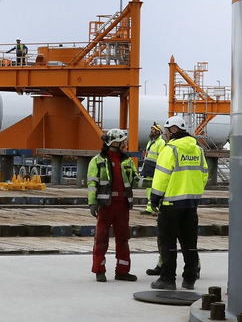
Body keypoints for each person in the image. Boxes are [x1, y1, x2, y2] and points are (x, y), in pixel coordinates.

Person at [147, 114, 206, 291]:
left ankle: (167, 279)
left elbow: (162, 176)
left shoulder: (170, 149)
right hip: (190, 205)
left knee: (168, 243)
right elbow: (204, 175)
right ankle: (189, 279)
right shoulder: (198, 150)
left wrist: (155, 197)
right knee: (190, 243)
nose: (165, 134)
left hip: (171, 204)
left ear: (173, 130)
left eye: (166, 131)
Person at [87, 128, 139, 282]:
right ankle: (99, 270)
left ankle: (122, 271)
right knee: (101, 239)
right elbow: (92, 184)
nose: (125, 144)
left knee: (123, 238)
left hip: (122, 206)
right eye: (123, 141)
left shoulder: (127, 161)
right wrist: (92, 203)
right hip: (106, 206)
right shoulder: (97, 161)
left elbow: (135, 180)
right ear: (115, 142)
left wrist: (155, 182)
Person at [141, 122, 167, 276]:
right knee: (148, 189)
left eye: (153, 130)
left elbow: (162, 158)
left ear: (158, 132)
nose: (151, 131)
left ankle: (152, 207)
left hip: (156, 169)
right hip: (149, 168)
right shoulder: (152, 142)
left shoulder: (161, 143)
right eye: (151, 129)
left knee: (153, 189)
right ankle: (150, 207)